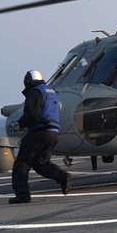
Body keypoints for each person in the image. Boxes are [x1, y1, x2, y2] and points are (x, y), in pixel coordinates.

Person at [9, 70, 72, 204]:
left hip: (39, 132)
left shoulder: (35, 91)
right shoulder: (50, 91)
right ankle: (62, 177)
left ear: (27, 82)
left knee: (22, 163)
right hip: (53, 133)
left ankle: (22, 195)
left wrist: (21, 124)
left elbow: (33, 113)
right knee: (40, 163)